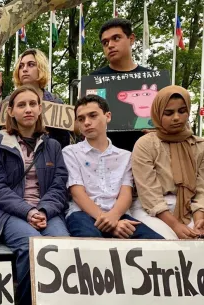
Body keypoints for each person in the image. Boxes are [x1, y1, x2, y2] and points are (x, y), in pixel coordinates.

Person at [0, 85, 69, 305]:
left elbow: (59, 186)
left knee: (62, 247)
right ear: (11, 111)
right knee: (33, 248)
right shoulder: (0, 143)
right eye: (21, 105)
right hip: (11, 213)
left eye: (33, 103)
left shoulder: (53, 145)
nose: (28, 109)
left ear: (40, 108)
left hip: (47, 211)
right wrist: (28, 211)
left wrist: (43, 210)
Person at [63, 94, 163, 240]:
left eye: (93, 116)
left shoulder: (125, 156)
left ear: (108, 116)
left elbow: (126, 194)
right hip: (82, 213)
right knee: (90, 240)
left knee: (155, 241)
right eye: (81, 119)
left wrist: (114, 217)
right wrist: (110, 223)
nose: (87, 122)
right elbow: (77, 193)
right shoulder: (70, 152)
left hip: (118, 214)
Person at [132, 86, 204, 240]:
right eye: (169, 113)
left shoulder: (200, 145)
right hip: (151, 210)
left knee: (198, 238)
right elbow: (148, 193)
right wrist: (175, 225)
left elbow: (201, 189)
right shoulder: (146, 144)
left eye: (182, 111)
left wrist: (199, 220)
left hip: (190, 208)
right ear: (158, 114)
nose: (176, 117)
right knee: (167, 241)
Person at [90, 18, 153, 152]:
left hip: (146, 155)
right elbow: (81, 122)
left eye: (116, 38)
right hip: (104, 155)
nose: (110, 45)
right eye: (105, 42)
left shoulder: (152, 79)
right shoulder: (93, 80)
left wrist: (161, 130)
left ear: (131, 39)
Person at [12, 48, 72, 148]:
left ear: (41, 68)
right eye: (21, 66)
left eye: (31, 64)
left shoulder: (56, 103)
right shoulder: (8, 102)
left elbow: (63, 142)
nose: (24, 69)